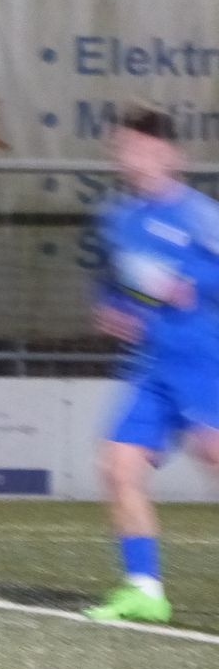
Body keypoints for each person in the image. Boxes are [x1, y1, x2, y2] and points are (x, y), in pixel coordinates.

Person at [87, 105, 219, 623]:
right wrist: (111, 308)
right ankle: (144, 589)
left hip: (205, 358)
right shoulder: (117, 218)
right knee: (117, 466)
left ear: (168, 154)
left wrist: (196, 287)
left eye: (139, 148)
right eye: (122, 148)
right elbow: (112, 277)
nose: (129, 157)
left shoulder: (200, 216)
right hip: (151, 365)